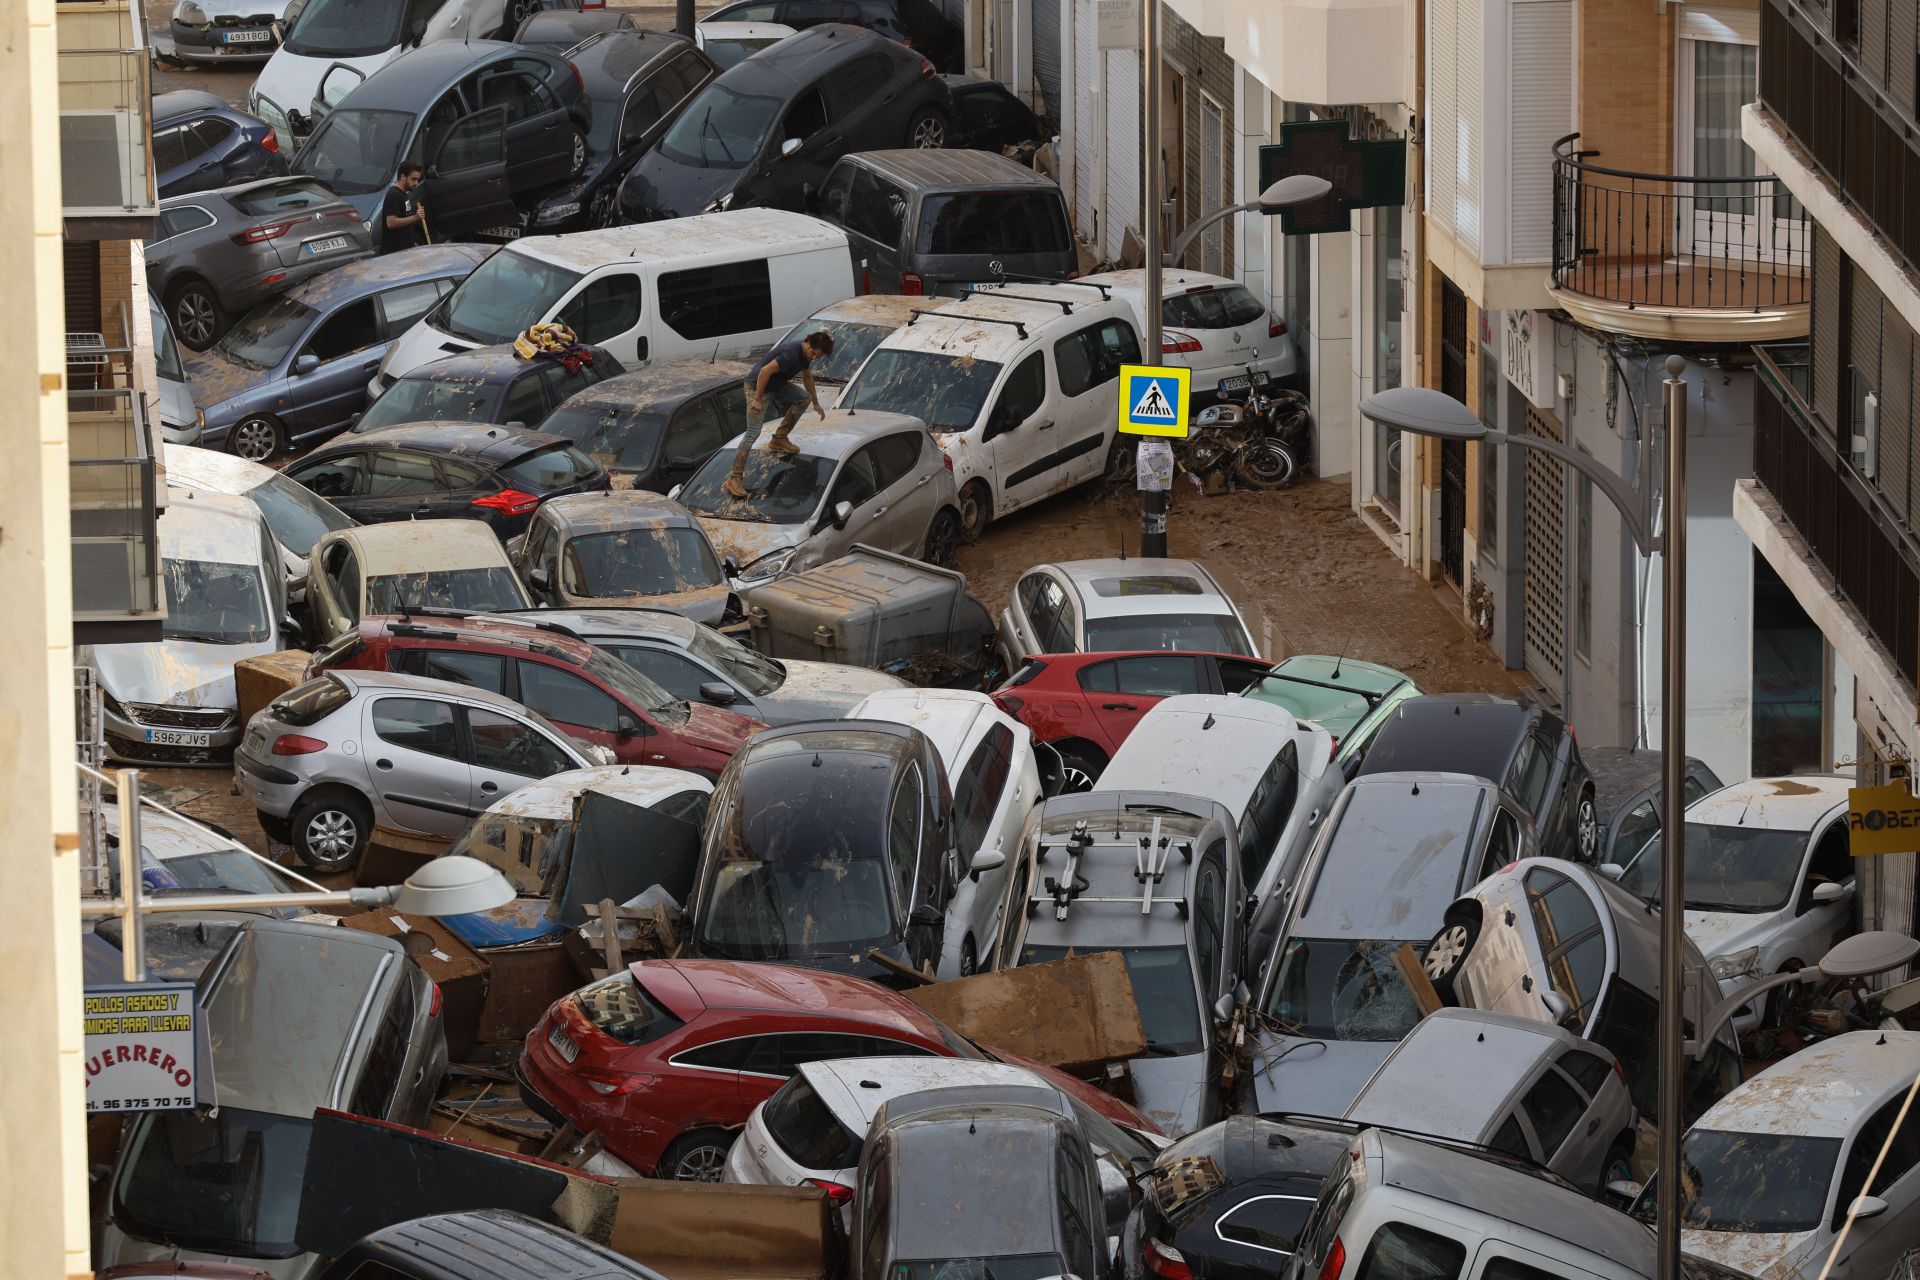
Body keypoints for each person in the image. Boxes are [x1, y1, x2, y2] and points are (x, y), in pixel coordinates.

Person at [724, 331, 834, 498]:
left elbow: (807, 378)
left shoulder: (805, 356)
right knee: (753, 433)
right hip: (757, 387)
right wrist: (758, 399)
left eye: (817, 357)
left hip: (776, 385)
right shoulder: (791, 354)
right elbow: (764, 372)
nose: (813, 358)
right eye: (813, 354)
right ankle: (734, 479)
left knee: (804, 398)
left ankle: (779, 439)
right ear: (807, 343)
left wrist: (816, 402)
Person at [380, 163, 428, 254]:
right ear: (403, 176)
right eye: (413, 179)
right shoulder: (394, 195)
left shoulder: (403, 193)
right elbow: (391, 222)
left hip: (404, 251)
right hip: (395, 253)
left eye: (417, 179)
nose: (416, 183)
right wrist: (415, 217)